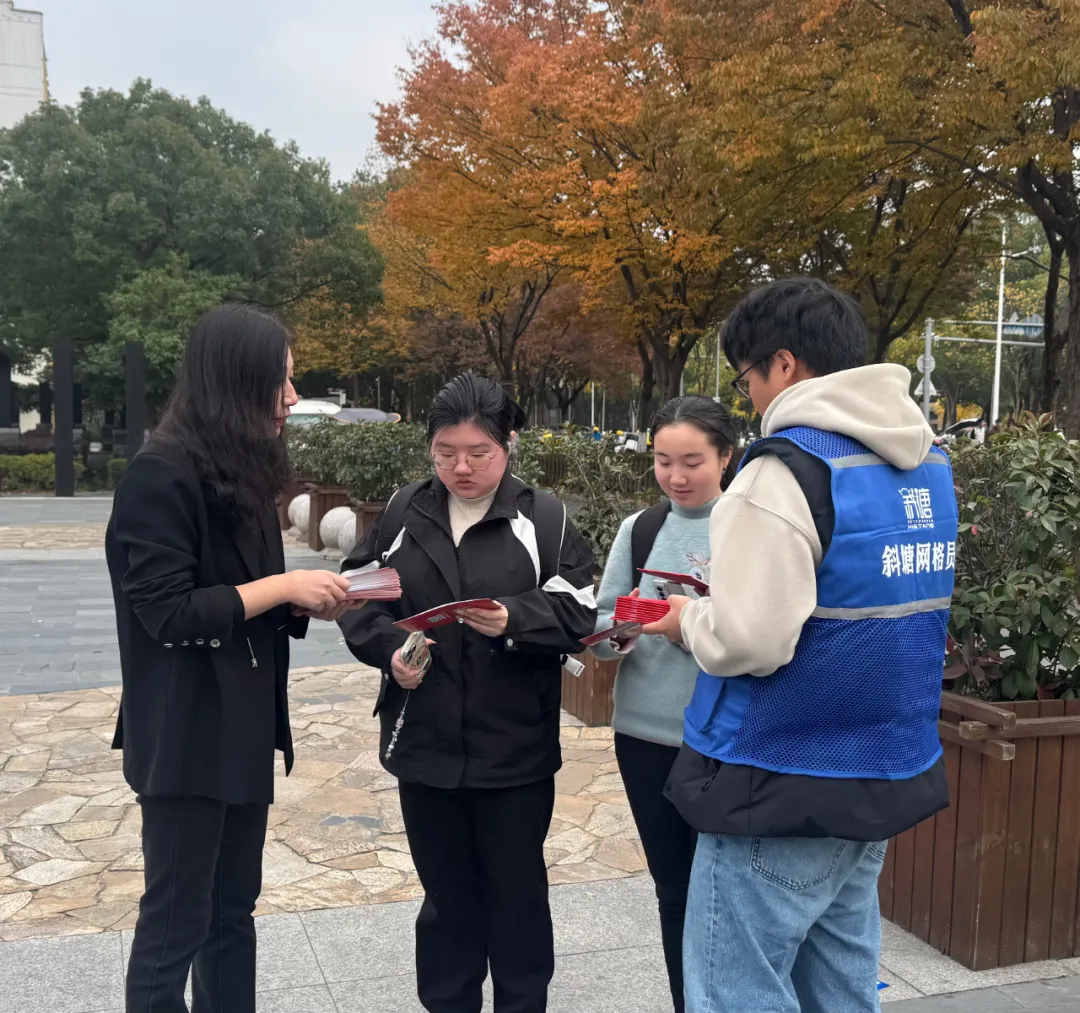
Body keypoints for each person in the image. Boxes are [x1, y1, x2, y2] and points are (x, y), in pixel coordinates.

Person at [644, 278, 958, 1013]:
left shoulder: (783, 469)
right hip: (882, 768)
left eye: (747, 377)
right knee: (841, 988)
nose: (752, 396)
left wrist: (688, 619)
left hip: (780, 774)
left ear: (782, 363)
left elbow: (749, 639)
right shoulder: (926, 463)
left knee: (738, 992)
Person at [106, 304, 357, 1013]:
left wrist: (301, 602)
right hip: (186, 734)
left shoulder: (241, 470)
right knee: (174, 926)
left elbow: (244, 593)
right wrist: (283, 586)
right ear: (234, 382)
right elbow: (167, 613)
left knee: (231, 914)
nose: (291, 397)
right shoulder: (160, 475)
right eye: (280, 380)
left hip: (242, 727)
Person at [339, 373, 597, 1013]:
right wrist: (388, 650)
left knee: (516, 896)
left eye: (479, 453)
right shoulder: (404, 511)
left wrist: (515, 618)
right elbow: (359, 593)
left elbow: (580, 612)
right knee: (446, 898)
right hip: (424, 740)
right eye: (445, 452)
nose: (461, 467)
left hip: (514, 747)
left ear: (509, 445)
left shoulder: (545, 518)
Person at [589, 395, 736, 1013]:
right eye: (663, 461)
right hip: (645, 736)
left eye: (692, 462)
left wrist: (690, 625)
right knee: (673, 889)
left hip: (728, 739)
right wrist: (621, 632)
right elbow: (602, 628)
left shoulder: (750, 527)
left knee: (729, 893)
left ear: (726, 457)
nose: (676, 477)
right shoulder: (641, 530)